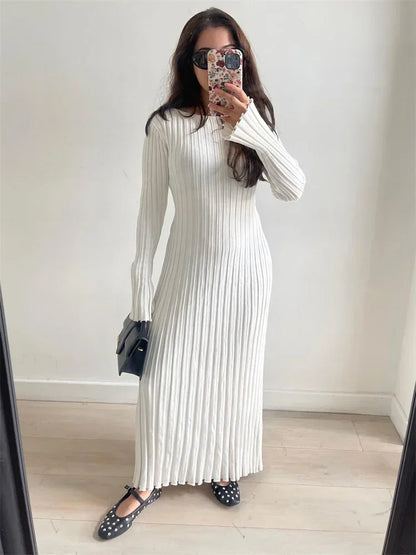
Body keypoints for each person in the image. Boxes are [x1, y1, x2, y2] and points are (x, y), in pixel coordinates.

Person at [98, 7, 306, 540]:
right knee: (164, 378)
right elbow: (149, 218)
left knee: (233, 375)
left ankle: (224, 465)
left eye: (226, 56)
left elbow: (293, 188)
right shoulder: (166, 126)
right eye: (203, 56)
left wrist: (250, 125)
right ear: (186, 62)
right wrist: (141, 299)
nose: (215, 65)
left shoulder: (253, 117)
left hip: (246, 273)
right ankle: (147, 481)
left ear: (241, 60)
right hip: (186, 271)